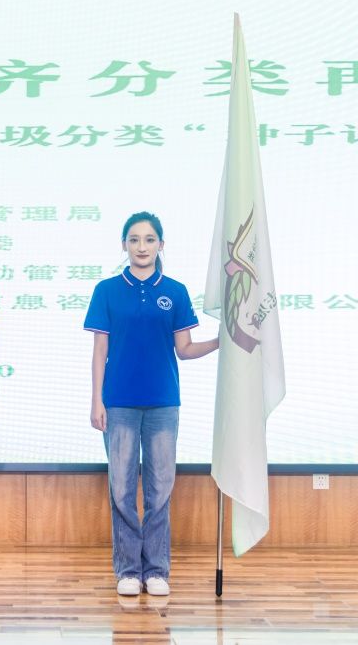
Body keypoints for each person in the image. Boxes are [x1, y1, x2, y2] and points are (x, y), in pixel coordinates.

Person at [83, 211, 218, 597]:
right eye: (134, 239)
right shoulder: (106, 290)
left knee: (160, 490)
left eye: (149, 239)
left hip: (163, 404)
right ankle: (128, 570)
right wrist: (96, 400)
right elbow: (100, 350)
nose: (141, 247)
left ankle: (157, 569)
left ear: (161, 244)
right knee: (121, 490)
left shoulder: (175, 291)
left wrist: (222, 342)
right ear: (124, 245)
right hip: (118, 403)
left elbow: (185, 349)